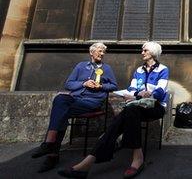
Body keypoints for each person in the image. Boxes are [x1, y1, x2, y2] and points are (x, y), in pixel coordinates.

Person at [58, 41, 169, 179]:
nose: (142, 53)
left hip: (155, 106)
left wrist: (148, 94)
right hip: (137, 105)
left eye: (144, 50)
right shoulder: (139, 71)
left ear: (152, 52)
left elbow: (160, 91)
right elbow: (132, 89)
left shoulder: (163, 69)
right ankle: (136, 158)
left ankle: (88, 162)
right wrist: (136, 94)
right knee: (130, 111)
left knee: (126, 114)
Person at [31, 42, 118, 173]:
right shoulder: (81, 66)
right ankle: (51, 149)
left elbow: (114, 86)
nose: (102, 54)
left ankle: (51, 150)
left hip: (92, 102)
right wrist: (84, 83)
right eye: (99, 51)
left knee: (61, 111)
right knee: (60, 100)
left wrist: (101, 87)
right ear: (91, 52)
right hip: (75, 99)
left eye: (103, 52)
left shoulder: (107, 68)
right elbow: (69, 84)